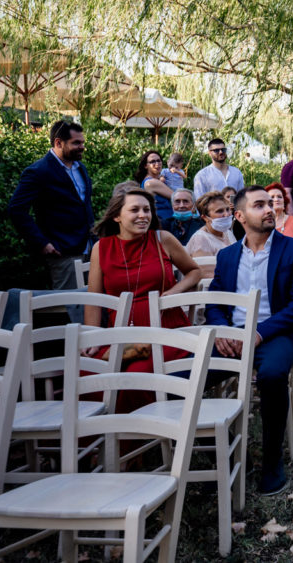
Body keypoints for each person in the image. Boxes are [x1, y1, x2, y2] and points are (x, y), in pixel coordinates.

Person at [205, 186, 293, 496]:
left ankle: (271, 461)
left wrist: (259, 333)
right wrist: (223, 330)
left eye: (270, 204)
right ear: (239, 216)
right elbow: (214, 302)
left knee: (272, 375)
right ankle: (223, 452)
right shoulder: (227, 256)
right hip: (232, 337)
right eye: (259, 205)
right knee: (180, 381)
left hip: (277, 334)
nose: (269, 209)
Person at [84, 188, 201, 411]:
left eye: (147, 210)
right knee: (88, 372)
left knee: (133, 377)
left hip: (165, 331)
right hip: (120, 334)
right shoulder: (101, 248)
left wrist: (173, 293)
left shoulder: (162, 239)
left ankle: (134, 438)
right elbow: (94, 298)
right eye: (135, 210)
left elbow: (194, 272)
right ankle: (97, 437)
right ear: (117, 216)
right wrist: (92, 337)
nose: (143, 215)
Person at [8, 120, 94, 291]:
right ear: (58, 143)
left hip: (90, 248)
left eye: (83, 142)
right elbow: (16, 209)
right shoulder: (39, 171)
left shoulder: (80, 168)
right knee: (68, 306)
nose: (82, 146)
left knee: (93, 304)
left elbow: (84, 205)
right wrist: (42, 243)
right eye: (76, 143)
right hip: (63, 253)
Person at [185, 191, 236, 273]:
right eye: (220, 211)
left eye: (227, 209)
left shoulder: (228, 233)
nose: (226, 214)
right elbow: (205, 276)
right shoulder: (201, 238)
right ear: (205, 217)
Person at [135, 150, 175, 222]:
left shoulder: (155, 180)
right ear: (145, 166)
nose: (157, 163)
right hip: (163, 221)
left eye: (159, 160)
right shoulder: (151, 183)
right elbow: (176, 196)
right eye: (152, 161)